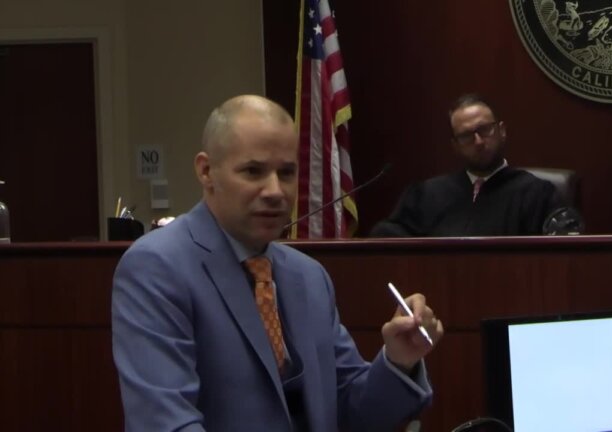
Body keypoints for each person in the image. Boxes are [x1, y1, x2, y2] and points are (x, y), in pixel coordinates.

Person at [112, 95, 444, 431]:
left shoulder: (308, 276)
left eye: (286, 173)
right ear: (206, 171)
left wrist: (399, 361)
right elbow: (165, 421)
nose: (274, 191)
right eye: (253, 171)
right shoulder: (157, 267)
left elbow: (351, 410)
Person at [370, 94, 564, 237]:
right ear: (455, 145)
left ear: (502, 131)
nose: (478, 142)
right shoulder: (427, 195)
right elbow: (386, 236)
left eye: (484, 130)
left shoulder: (537, 193)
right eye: (466, 136)